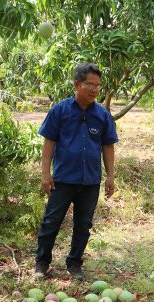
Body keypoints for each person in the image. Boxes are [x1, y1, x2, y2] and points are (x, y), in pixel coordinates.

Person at [34, 63, 118, 281]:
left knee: (83, 225)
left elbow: (108, 146)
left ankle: (74, 263)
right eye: (90, 84)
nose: (94, 90)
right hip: (63, 179)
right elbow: (49, 142)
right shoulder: (60, 111)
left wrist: (110, 176)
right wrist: (45, 173)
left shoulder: (102, 115)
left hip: (90, 180)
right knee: (51, 221)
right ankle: (41, 263)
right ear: (77, 84)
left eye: (98, 86)